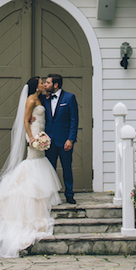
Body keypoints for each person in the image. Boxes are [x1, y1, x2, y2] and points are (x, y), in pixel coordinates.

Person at [0, 76, 61, 257]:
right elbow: (25, 120)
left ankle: (38, 193)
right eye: (40, 82)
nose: (42, 84)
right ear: (35, 85)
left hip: (41, 132)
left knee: (39, 163)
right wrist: (31, 138)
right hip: (34, 135)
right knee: (33, 163)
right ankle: (30, 195)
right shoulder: (31, 100)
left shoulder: (41, 98)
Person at [43, 73, 79, 204]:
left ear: (56, 85)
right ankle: (51, 195)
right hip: (48, 141)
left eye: (48, 82)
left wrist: (71, 139)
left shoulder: (69, 98)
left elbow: (74, 120)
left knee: (67, 168)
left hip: (64, 141)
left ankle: (69, 194)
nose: (45, 84)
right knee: (49, 169)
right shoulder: (44, 99)